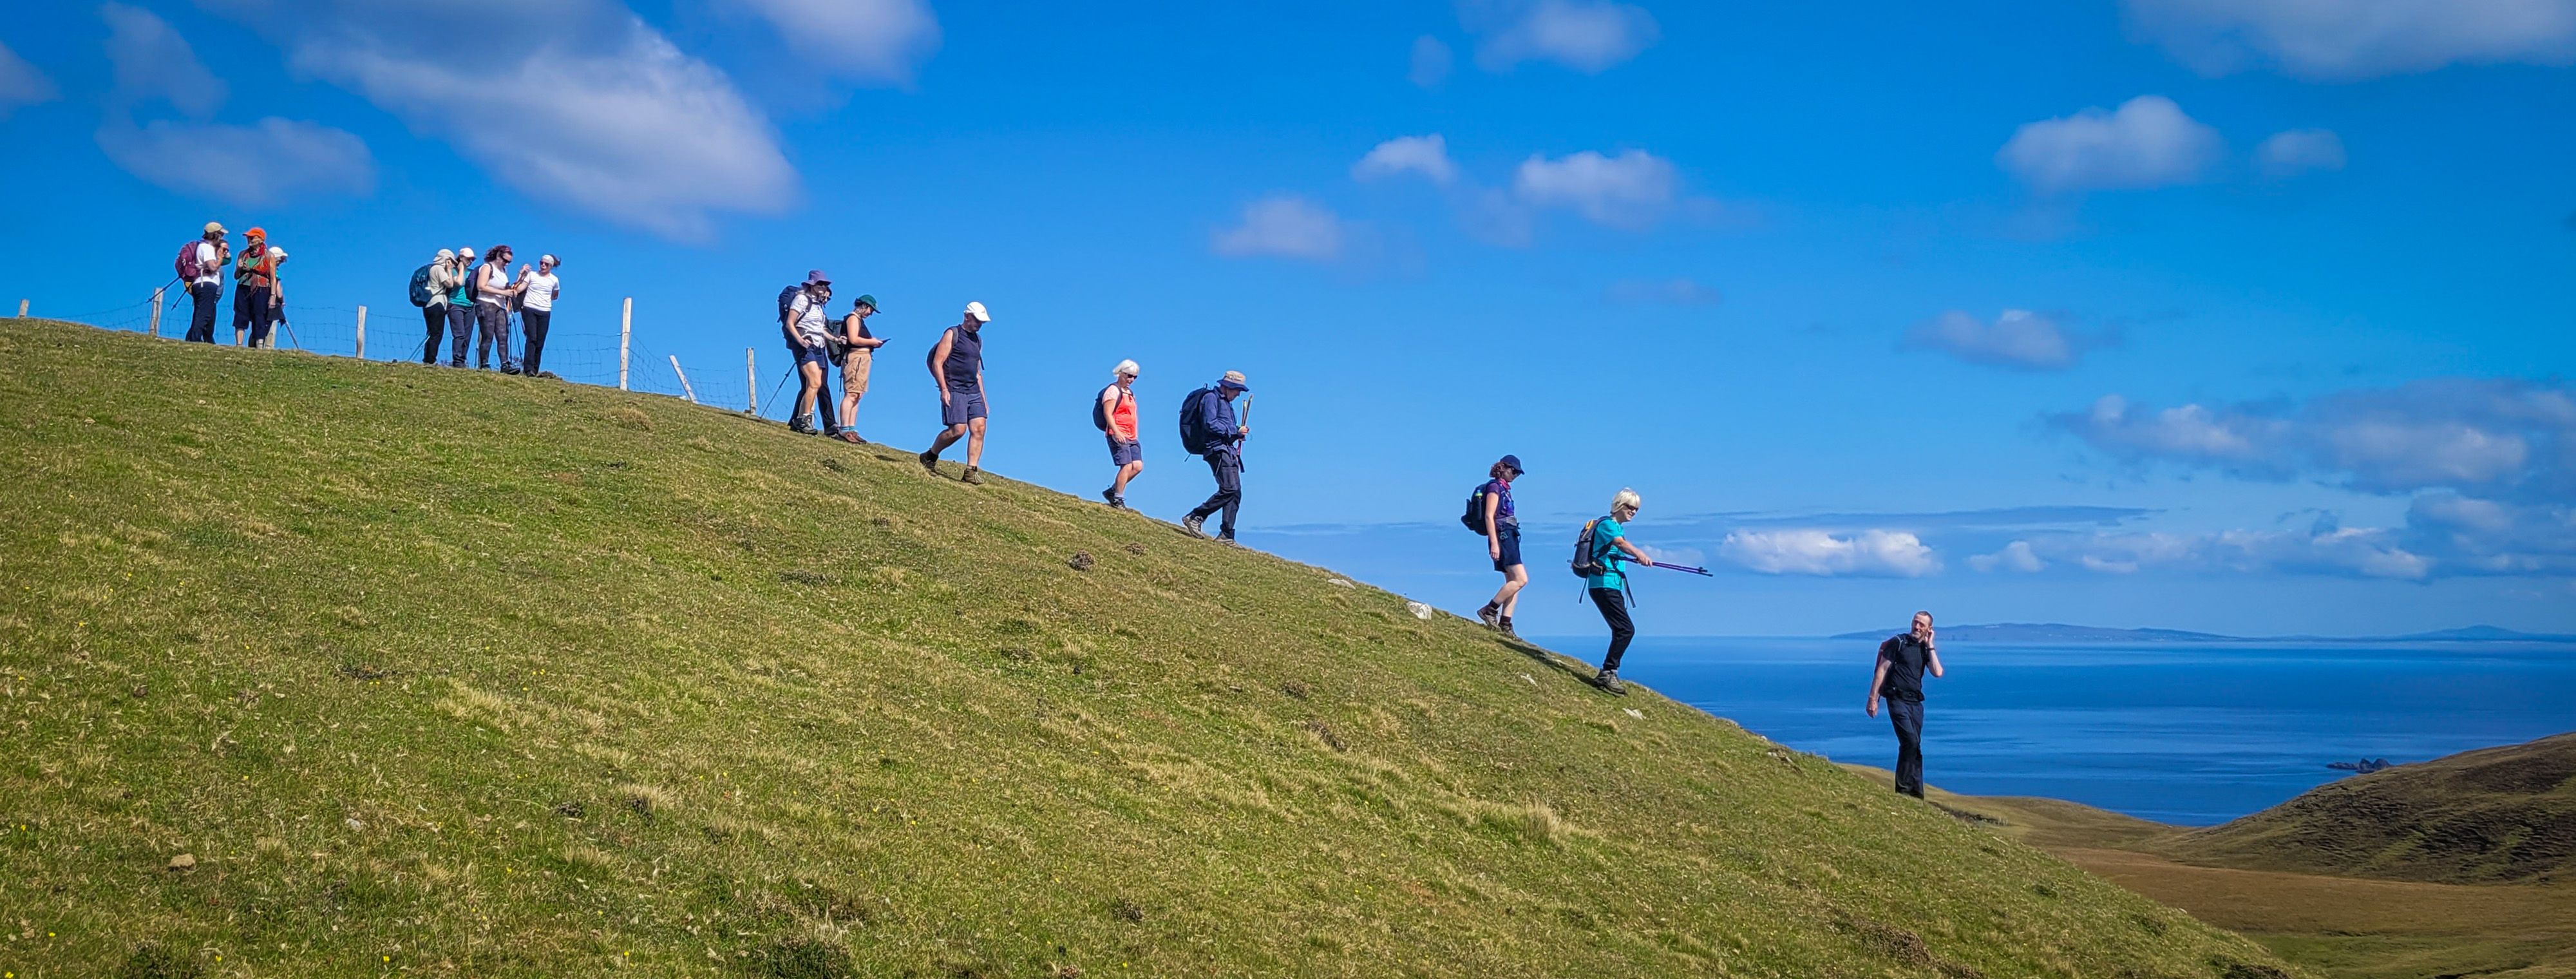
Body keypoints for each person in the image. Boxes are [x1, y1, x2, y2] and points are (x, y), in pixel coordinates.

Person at [1866, 611, 1946, 799]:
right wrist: (1873, 699)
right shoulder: (1898, 642)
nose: (1917, 627)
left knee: (1915, 745)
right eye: (1915, 622)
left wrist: (1931, 645)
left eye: (1922, 625)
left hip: (1916, 702)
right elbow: (1881, 670)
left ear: (1929, 629)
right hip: (1897, 699)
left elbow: (1938, 672)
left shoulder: (1925, 649)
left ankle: (1916, 793)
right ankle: (1903, 790)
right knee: (1909, 741)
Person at [1583, 489, 1653, 694]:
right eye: (1630, 507)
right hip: (1604, 585)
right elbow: (1620, 544)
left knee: (1621, 629)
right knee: (1626, 629)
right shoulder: (1607, 525)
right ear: (1619, 506)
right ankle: (1608, 672)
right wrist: (1639, 553)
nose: (1634, 511)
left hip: (1611, 585)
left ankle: (1608, 672)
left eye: (1637, 509)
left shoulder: (1617, 528)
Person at [918, 301, 993, 484]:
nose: (980, 324)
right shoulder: (952, 334)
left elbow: (977, 372)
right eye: (977, 320)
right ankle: (930, 456)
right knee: (958, 430)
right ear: (967, 316)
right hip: (955, 388)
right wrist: (944, 389)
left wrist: (984, 400)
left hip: (973, 390)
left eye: (982, 322)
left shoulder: (978, 340)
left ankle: (971, 471)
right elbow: (937, 362)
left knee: (980, 428)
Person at [1180, 372, 1251, 543]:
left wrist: (1237, 433)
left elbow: (1222, 426)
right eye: (1237, 390)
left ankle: (1227, 535)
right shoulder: (1211, 398)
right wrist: (1235, 431)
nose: (1238, 394)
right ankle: (1196, 516)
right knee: (1230, 489)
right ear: (1228, 387)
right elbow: (1210, 424)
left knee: (1235, 493)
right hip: (1217, 450)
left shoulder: (1226, 403)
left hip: (1228, 450)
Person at [1474, 455, 1528, 637]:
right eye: (1514, 471)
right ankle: (1490, 610)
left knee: (1513, 582)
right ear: (1503, 468)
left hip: (1510, 535)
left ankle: (1506, 623)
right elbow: (1489, 516)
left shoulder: (1505, 488)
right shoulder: (1495, 487)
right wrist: (1494, 543)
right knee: (1521, 579)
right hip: (1503, 536)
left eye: (1517, 473)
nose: (1515, 475)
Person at [781, 271, 834, 434]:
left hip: (818, 346)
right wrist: (800, 340)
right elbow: (790, 323)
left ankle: (801, 419)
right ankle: (804, 418)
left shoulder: (818, 305)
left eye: (825, 285)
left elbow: (819, 329)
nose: (823, 287)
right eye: (820, 284)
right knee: (815, 382)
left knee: (814, 384)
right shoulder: (802, 300)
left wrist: (835, 339)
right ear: (812, 285)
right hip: (805, 346)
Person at [833, 294, 887, 444]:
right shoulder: (853, 318)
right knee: (851, 393)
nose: (870, 313)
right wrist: (872, 342)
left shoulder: (859, 320)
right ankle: (844, 429)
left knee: (858, 394)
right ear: (864, 306)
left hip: (863, 359)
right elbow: (854, 339)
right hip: (856, 358)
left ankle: (851, 428)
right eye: (870, 310)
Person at [1098, 360, 1143, 508]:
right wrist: (1116, 432)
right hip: (1118, 433)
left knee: (1137, 466)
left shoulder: (1130, 393)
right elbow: (1108, 413)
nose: (1131, 379)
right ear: (1120, 373)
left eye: (1135, 377)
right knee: (1126, 465)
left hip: (1131, 435)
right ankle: (1118, 498)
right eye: (1129, 376)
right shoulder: (1113, 391)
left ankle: (1113, 491)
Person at [474, 245, 524, 373]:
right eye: (505, 260)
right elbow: (481, 286)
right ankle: (484, 364)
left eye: (509, 262)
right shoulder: (487, 267)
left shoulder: (503, 271)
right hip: (486, 303)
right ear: (498, 256)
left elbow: (504, 288)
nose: (506, 264)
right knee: (488, 335)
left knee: (503, 336)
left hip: (501, 306)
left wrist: (510, 291)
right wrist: (503, 293)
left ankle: (505, 364)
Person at [231, 227, 278, 347]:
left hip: (261, 288)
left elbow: (273, 278)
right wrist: (240, 268)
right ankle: (239, 344)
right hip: (243, 286)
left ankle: (259, 345)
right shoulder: (243, 254)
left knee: (259, 315)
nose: (249, 240)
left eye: (252, 237)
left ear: (261, 240)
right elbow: (236, 276)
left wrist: (273, 296)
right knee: (240, 314)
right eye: (248, 237)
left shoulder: (269, 256)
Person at [182, 222, 229, 343]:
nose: (222, 237)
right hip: (206, 284)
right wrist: (220, 258)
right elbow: (213, 267)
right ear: (215, 234)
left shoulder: (202, 246)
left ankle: (194, 338)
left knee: (201, 313)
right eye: (221, 234)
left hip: (200, 283)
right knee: (204, 314)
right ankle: (195, 339)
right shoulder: (207, 248)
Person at [517, 254, 561, 379]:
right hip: (529, 308)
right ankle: (528, 369)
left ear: (551, 266)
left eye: (546, 264)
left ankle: (535, 369)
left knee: (540, 340)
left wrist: (544, 300)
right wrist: (521, 275)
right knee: (532, 337)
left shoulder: (554, 280)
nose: (543, 266)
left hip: (545, 311)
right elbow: (519, 289)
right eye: (541, 263)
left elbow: (555, 295)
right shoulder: (532, 275)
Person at [419, 249, 458, 364]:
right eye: (450, 261)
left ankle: (428, 358)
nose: (452, 264)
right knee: (437, 333)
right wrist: (449, 271)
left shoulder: (432, 269)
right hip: (437, 304)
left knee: (432, 332)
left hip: (429, 304)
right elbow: (450, 284)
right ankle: (430, 359)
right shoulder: (438, 269)